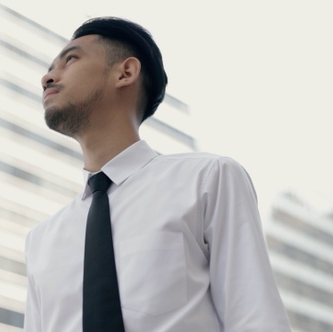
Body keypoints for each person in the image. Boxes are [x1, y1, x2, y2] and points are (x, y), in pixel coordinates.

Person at [24, 16, 291, 332]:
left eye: (71, 60)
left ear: (125, 72)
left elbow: (255, 319)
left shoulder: (207, 180)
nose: (47, 78)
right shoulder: (41, 240)